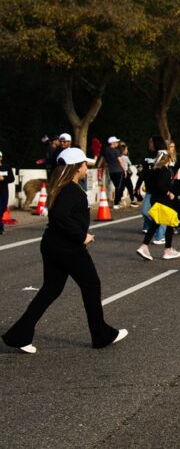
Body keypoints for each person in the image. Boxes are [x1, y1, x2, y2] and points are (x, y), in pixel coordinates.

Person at [2, 148, 127, 353]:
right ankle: (101, 334)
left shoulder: (61, 186)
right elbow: (60, 216)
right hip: (67, 247)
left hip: (53, 244)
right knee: (91, 285)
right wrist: (81, 236)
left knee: (51, 289)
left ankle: (19, 335)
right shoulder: (70, 188)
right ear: (76, 167)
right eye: (84, 164)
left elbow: (60, 216)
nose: (87, 167)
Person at [135, 151, 180, 261]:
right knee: (171, 222)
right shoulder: (165, 171)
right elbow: (161, 185)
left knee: (156, 223)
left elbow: (150, 184)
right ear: (167, 160)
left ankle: (144, 246)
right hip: (163, 201)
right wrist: (169, 193)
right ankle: (168, 250)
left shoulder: (154, 171)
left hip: (154, 199)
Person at [98, 136, 127, 207]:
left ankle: (118, 201)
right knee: (119, 187)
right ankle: (116, 203)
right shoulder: (116, 151)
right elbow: (120, 161)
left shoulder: (106, 150)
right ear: (113, 143)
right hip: (118, 171)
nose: (117, 143)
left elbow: (103, 159)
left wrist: (100, 166)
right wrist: (125, 170)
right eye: (116, 142)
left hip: (111, 171)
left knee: (117, 186)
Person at [0, 150, 10, 235]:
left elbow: (12, 179)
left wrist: (3, 179)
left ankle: (0, 225)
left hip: (3, 191)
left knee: (2, 208)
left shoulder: (6, 167)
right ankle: (0, 226)